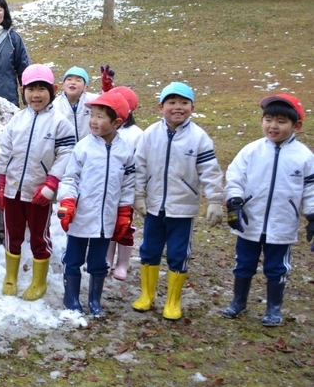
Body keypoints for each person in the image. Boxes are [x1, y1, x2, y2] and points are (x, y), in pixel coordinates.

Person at [132, 82, 224, 320]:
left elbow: (210, 171)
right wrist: (138, 195)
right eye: (171, 102)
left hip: (182, 209)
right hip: (153, 207)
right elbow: (139, 167)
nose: (178, 107)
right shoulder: (150, 134)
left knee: (178, 253)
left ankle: (173, 301)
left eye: (184, 102)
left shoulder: (199, 138)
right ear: (161, 106)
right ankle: (147, 295)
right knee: (149, 250)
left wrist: (214, 200)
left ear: (192, 107)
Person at [222, 94, 314, 327]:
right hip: (250, 222)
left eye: (281, 121)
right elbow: (234, 177)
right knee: (243, 263)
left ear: (297, 126)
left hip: (282, 224)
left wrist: (312, 216)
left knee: (276, 268)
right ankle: (238, 301)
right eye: (269, 119)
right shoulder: (251, 151)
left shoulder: (304, 157)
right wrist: (234, 202)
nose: (273, 126)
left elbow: (311, 189)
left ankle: (274, 307)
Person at [0, 64, 76, 301]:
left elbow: (66, 155)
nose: (36, 94)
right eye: (31, 89)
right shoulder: (17, 120)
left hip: (39, 190)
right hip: (13, 190)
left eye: (42, 89)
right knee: (13, 233)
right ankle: (11, 276)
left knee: (40, 235)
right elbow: (5, 153)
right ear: (22, 90)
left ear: (53, 90)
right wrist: (1, 183)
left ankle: (39, 280)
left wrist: (51, 184)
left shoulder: (60, 123)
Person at [57, 92, 135, 318]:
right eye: (92, 115)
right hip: (81, 215)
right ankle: (71, 297)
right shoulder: (83, 148)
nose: (93, 121)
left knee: (98, 261)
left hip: (106, 218)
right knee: (74, 258)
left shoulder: (124, 152)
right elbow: (70, 177)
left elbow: (128, 184)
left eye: (100, 117)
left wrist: (124, 212)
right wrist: (68, 202)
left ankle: (94, 300)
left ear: (116, 123)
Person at [105, 86, 142, 281]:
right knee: (108, 223)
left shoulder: (136, 134)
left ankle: (123, 263)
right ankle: (108, 258)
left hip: (127, 187)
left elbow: (140, 162)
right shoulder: (104, 130)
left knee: (125, 225)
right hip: (108, 187)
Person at [52, 66, 101, 142]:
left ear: (85, 87)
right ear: (63, 85)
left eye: (78, 80)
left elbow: (109, 102)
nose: (73, 82)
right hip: (66, 148)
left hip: (90, 147)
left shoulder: (93, 100)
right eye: (69, 79)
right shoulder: (55, 104)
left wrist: (107, 89)